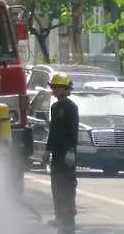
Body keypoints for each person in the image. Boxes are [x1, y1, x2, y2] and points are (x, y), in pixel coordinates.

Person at [42, 73, 79, 234]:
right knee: (56, 184)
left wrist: (71, 150)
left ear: (65, 89)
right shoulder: (54, 107)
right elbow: (53, 132)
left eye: (58, 87)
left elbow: (73, 131)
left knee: (67, 185)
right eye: (54, 87)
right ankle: (59, 215)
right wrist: (47, 150)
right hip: (57, 153)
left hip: (67, 153)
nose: (55, 90)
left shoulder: (71, 107)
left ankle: (68, 217)